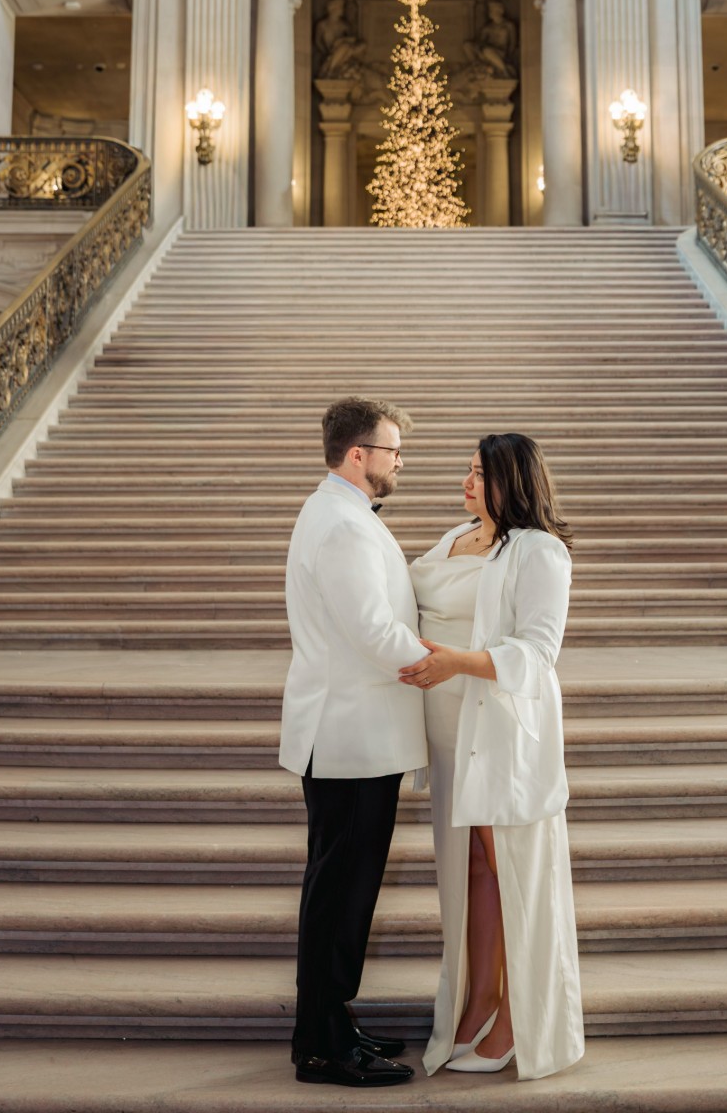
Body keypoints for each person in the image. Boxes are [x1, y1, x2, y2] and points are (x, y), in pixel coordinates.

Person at [399, 433, 584, 1080]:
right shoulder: (457, 535)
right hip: (451, 733)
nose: (466, 483)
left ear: (514, 479)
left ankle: (517, 1021)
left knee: (510, 870)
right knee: (473, 869)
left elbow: (537, 652)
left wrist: (456, 661)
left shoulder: (539, 551)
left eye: (480, 473)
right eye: (466, 471)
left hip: (503, 732)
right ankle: (476, 999)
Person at [280, 396, 430, 1089]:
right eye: (394, 450)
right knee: (340, 891)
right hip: (349, 735)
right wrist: (448, 663)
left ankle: (328, 1021)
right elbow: (372, 633)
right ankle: (321, 1045)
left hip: (350, 733)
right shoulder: (340, 524)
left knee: (339, 888)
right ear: (358, 455)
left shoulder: (339, 514)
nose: (402, 461)